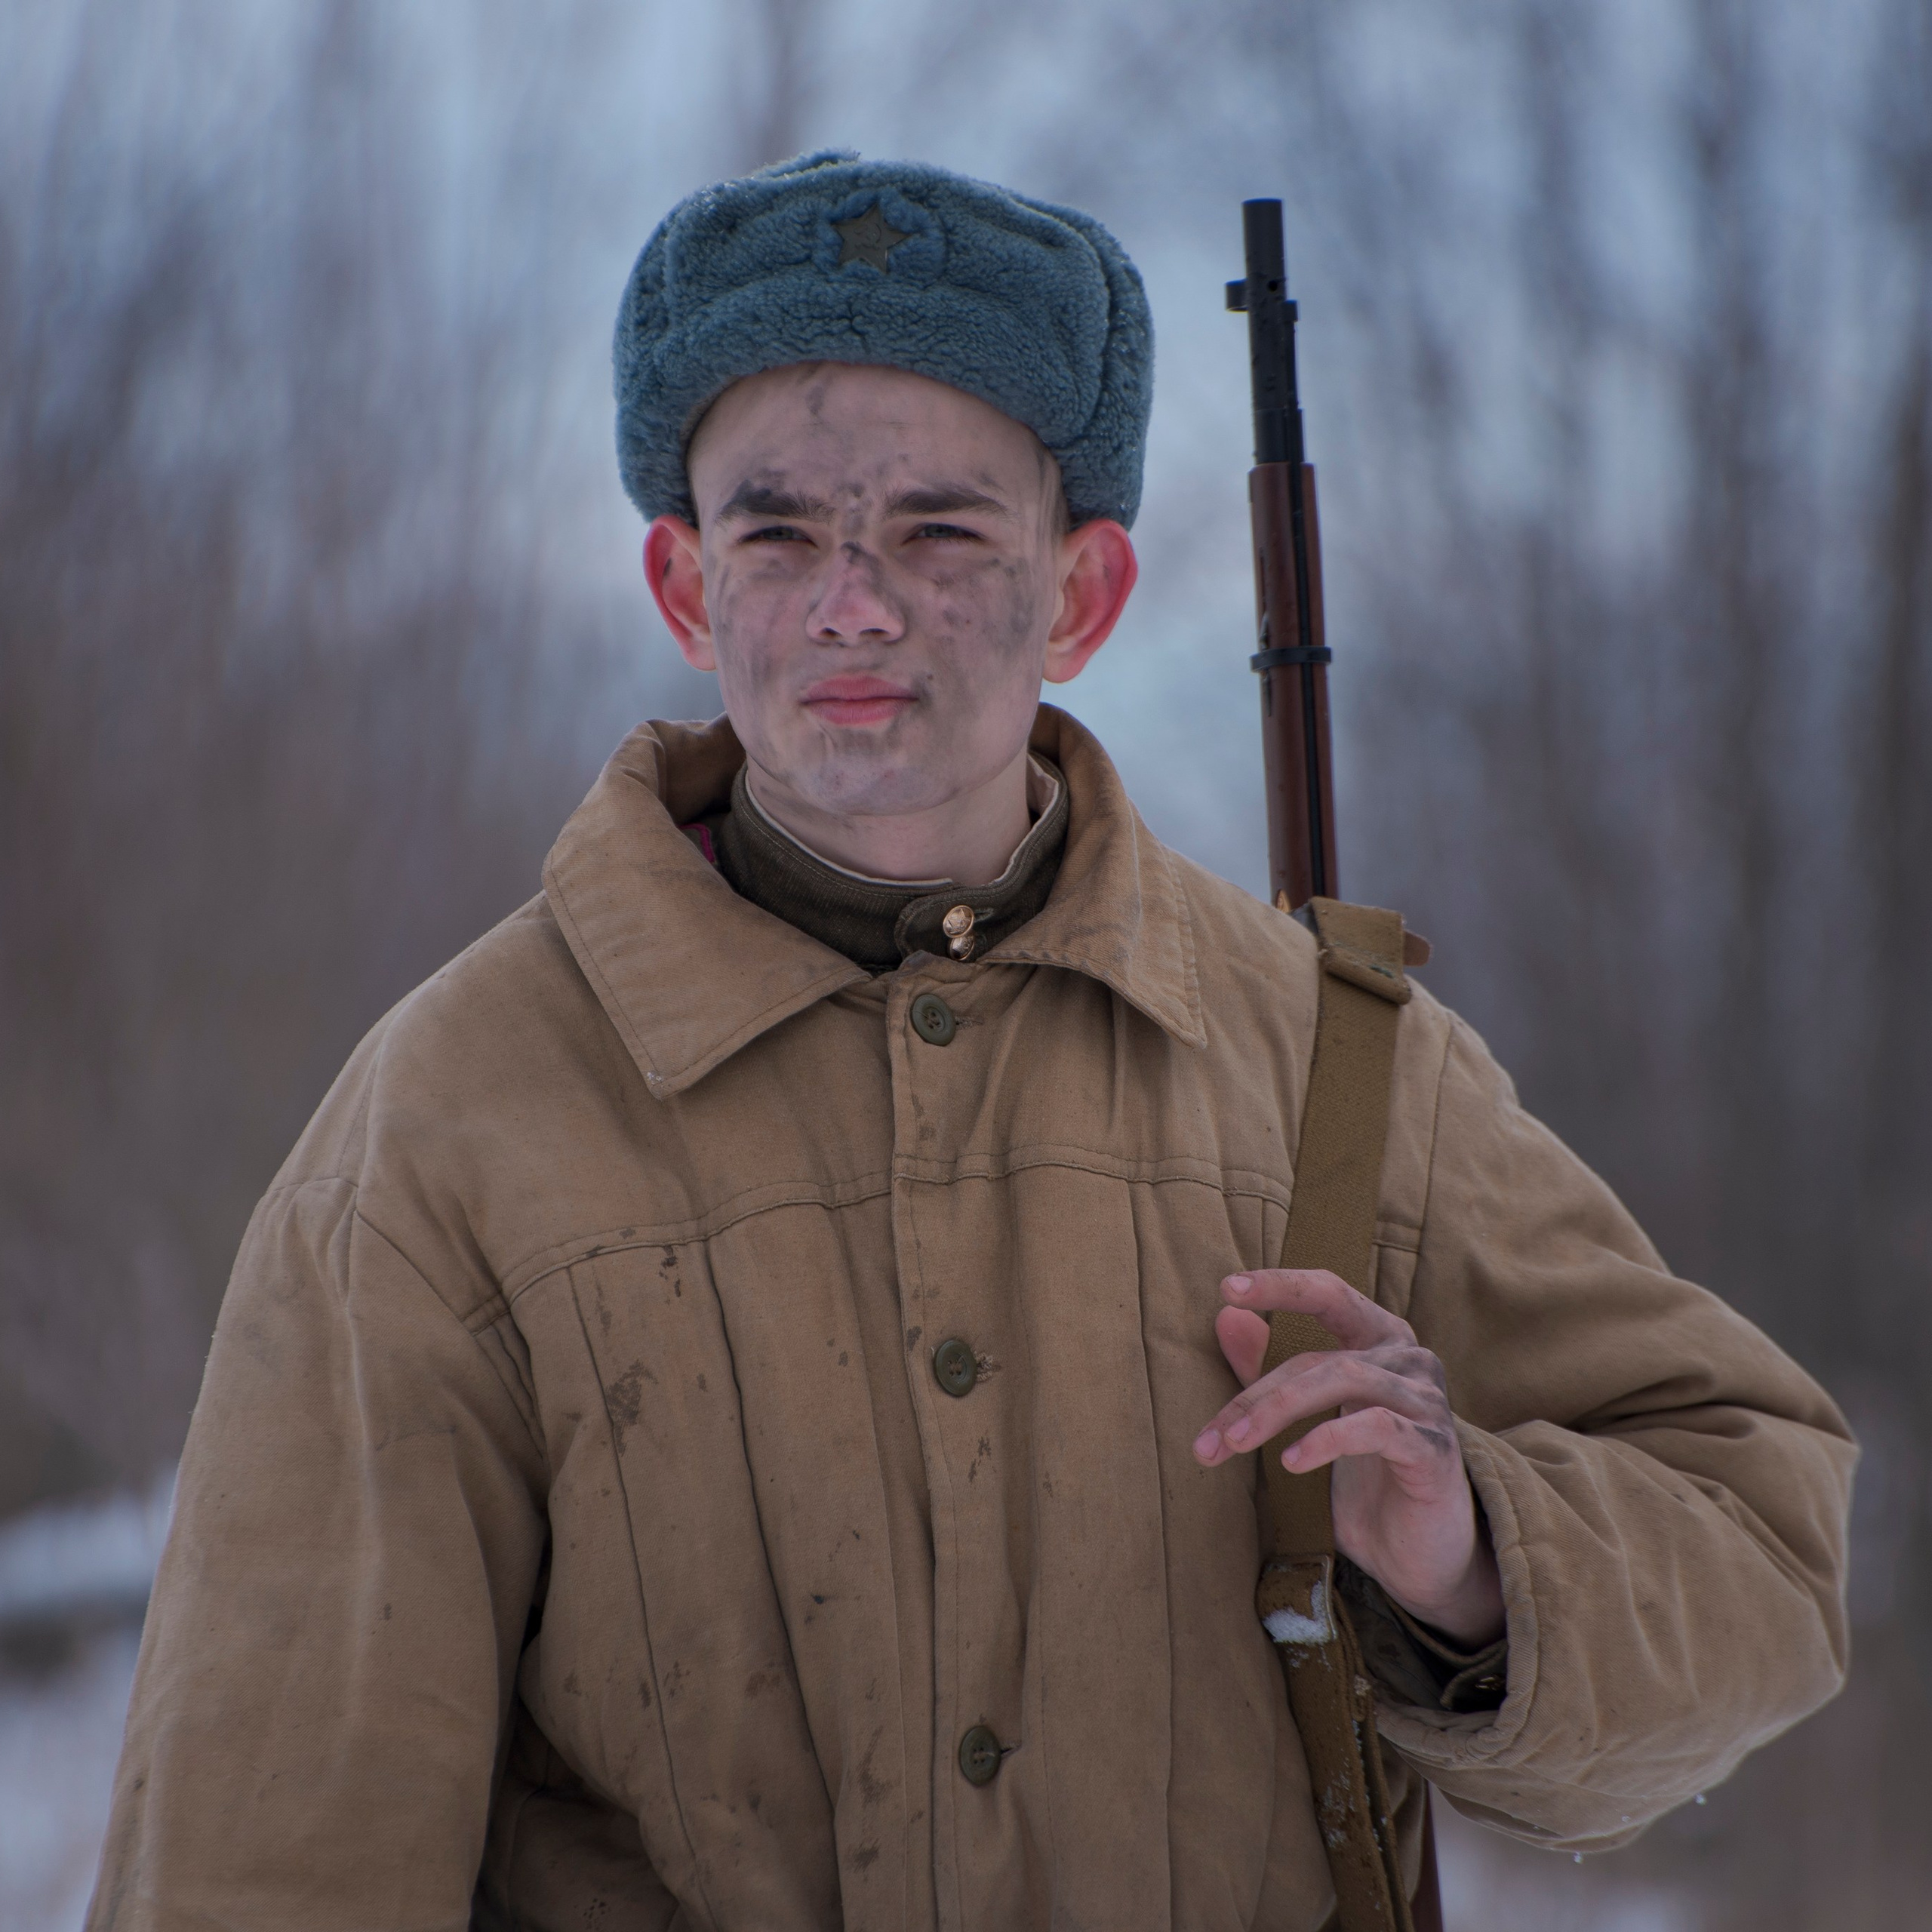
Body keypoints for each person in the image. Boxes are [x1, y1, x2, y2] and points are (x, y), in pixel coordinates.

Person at [89, 151, 1854, 1932]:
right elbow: (264, 1858)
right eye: (777, 533)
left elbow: (1764, 1530)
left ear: (1080, 593)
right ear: (684, 585)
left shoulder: (1333, 1069)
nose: (852, 602)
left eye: (939, 531)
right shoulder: (449, 1124)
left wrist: (1468, 1553)